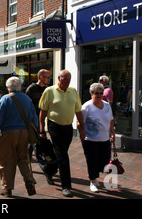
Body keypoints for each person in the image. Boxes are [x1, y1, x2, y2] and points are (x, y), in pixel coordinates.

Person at [0, 77, 37, 197]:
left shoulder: (5, 99)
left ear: (8, 87)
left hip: (8, 132)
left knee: (6, 161)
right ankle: (29, 179)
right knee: (23, 158)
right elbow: (33, 118)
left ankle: (7, 188)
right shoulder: (27, 99)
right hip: (23, 132)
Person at [39, 69, 86, 197]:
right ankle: (66, 186)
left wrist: (83, 128)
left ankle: (49, 170)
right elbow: (42, 112)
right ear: (59, 79)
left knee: (60, 154)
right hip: (54, 126)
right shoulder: (49, 91)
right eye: (65, 79)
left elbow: (78, 111)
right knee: (63, 156)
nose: (67, 81)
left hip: (68, 128)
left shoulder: (73, 91)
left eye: (69, 79)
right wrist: (41, 129)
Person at [81, 83, 115, 193]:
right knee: (92, 161)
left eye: (101, 93)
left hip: (105, 139)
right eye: (96, 93)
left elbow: (110, 120)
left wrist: (113, 133)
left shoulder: (107, 105)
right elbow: (80, 122)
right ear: (91, 94)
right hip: (90, 140)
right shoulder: (86, 107)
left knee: (104, 161)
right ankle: (92, 181)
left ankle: (94, 175)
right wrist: (82, 132)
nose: (99, 95)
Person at [25, 69, 53, 183]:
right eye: (47, 77)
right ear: (40, 77)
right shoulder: (31, 89)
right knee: (36, 146)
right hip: (33, 122)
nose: (49, 79)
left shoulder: (48, 90)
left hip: (46, 122)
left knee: (36, 146)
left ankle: (26, 161)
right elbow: (27, 105)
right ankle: (46, 171)